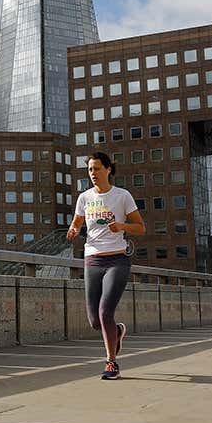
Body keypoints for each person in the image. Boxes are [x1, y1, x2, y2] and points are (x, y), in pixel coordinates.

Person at [66, 152, 144, 381]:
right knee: (94, 321)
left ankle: (111, 363)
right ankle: (117, 331)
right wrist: (73, 231)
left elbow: (140, 227)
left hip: (117, 260)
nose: (93, 174)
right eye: (90, 170)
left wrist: (121, 225)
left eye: (97, 169)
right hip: (92, 260)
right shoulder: (85, 198)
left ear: (109, 169)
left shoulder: (122, 196)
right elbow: (77, 223)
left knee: (104, 312)